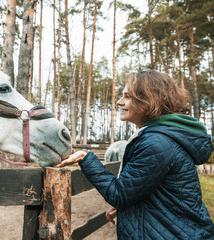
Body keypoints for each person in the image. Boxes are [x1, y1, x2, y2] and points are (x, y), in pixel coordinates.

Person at [57, 70, 214, 239]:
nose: (119, 102)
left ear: (149, 99)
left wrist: (84, 157)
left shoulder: (157, 143)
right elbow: (157, 189)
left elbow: (119, 195)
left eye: (127, 96)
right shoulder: (161, 138)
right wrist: (132, 209)